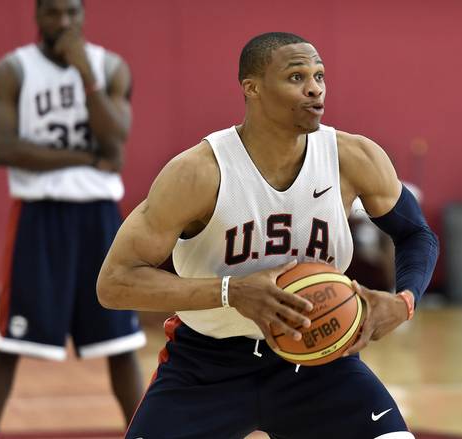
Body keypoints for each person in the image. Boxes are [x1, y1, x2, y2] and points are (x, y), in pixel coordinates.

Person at [98, 32, 439, 439]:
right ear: (252, 88)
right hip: (207, 365)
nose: (314, 87)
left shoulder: (353, 158)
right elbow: (114, 283)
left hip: (320, 360)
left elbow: (417, 233)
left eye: (319, 76)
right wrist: (232, 292)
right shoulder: (198, 172)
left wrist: (404, 302)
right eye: (296, 77)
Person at [0, 1, 146, 438]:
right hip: (39, 216)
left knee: (120, 343)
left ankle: (145, 432)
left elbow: (116, 139)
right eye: (53, 13)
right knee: (9, 341)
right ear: (37, 15)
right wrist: (86, 157)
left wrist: (84, 74)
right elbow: (4, 148)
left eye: (72, 12)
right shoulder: (14, 70)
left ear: (83, 14)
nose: (64, 22)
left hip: (100, 219)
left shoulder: (110, 67)